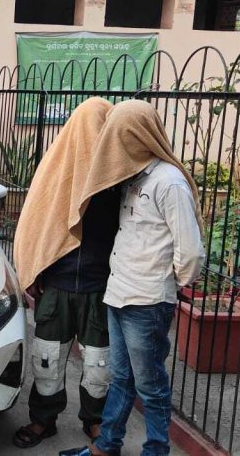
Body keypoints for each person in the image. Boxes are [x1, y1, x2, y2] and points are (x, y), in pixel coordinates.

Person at [61, 100, 204, 456]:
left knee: (150, 386)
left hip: (147, 302)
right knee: (121, 379)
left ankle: (156, 450)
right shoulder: (132, 178)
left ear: (139, 137)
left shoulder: (169, 182)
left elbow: (190, 251)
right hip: (118, 294)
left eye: (119, 137)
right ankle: (106, 446)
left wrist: (167, 285)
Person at [11, 97, 119, 448]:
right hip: (57, 284)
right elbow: (35, 220)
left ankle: (95, 420)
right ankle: (43, 420)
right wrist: (32, 270)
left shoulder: (117, 177)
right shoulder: (56, 171)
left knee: (99, 363)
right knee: (47, 357)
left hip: (99, 285)